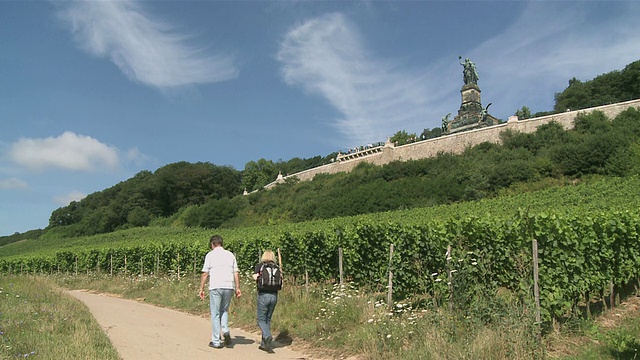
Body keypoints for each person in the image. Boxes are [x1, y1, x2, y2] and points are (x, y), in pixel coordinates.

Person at [199, 235, 242, 349]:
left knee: (215, 313)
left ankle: (216, 341)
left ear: (212, 244)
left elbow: (205, 273)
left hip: (216, 286)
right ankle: (226, 330)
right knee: (224, 310)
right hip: (229, 286)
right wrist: (237, 288)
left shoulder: (210, 255)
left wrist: (201, 288)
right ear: (221, 243)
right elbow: (236, 272)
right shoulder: (230, 255)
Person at [252, 250, 281, 353]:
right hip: (274, 296)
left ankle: (268, 336)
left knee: (260, 319)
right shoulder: (277, 267)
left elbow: (255, 277)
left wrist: (256, 276)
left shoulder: (260, 266)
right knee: (268, 319)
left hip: (263, 295)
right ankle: (264, 345)